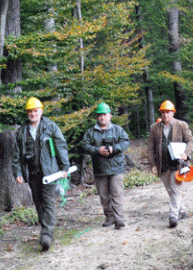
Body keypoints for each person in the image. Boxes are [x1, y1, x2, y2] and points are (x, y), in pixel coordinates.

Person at [12, 97, 70, 251]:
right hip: (31, 173)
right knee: (38, 202)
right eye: (30, 111)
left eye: (35, 111)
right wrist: (17, 172)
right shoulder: (22, 131)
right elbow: (16, 154)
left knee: (48, 201)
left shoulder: (50, 126)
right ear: (27, 113)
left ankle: (46, 235)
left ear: (41, 111)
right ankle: (46, 229)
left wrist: (65, 166)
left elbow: (61, 146)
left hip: (50, 172)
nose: (33, 114)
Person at [80, 102, 131, 230]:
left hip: (116, 167)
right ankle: (109, 217)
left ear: (110, 116)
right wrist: (97, 150)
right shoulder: (90, 132)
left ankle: (119, 219)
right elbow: (84, 145)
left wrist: (114, 148)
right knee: (103, 195)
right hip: (100, 168)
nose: (102, 117)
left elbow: (125, 141)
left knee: (116, 193)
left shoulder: (118, 130)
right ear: (96, 117)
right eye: (100, 115)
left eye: (104, 114)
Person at [148, 100, 193, 228]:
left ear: (173, 113)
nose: (165, 115)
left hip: (178, 165)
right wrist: (152, 165)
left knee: (175, 189)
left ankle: (173, 216)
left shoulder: (181, 125)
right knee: (171, 190)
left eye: (168, 112)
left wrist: (186, 153)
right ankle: (182, 210)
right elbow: (150, 149)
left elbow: (191, 141)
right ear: (161, 113)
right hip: (162, 165)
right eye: (163, 112)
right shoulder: (154, 128)